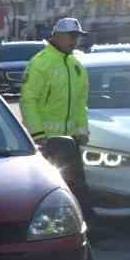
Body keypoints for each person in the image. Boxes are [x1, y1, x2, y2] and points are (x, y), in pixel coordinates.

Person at [21, 16, 98, 238]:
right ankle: (49, 235)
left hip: (70, 141)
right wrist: (38, 135)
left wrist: (81, 132)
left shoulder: (76, 66)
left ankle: (88, 231)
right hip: (47, 141)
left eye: (78, 37)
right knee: (47, 193)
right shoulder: (41, 62)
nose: (75, 41)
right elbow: (28, 100)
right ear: (58, 35)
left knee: (78, 189)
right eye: (71, 36)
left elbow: (80, 104)